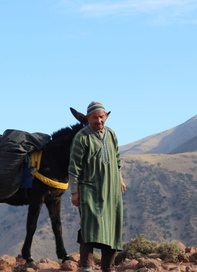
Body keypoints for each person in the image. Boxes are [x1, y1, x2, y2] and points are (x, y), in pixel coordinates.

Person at [69, 101, 126, 272]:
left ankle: (108, 267)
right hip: (89, 190)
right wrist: (74, 192)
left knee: (112, 226)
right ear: (88, 118)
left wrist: (120, 179)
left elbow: (116, 160)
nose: (98, 121)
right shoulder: (81, 137)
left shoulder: (112, 134)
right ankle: (86, 266)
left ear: (106, 116)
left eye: (101, 117)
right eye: (94, 118)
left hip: (112, 190)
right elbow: (74, 167)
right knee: (89, 227)